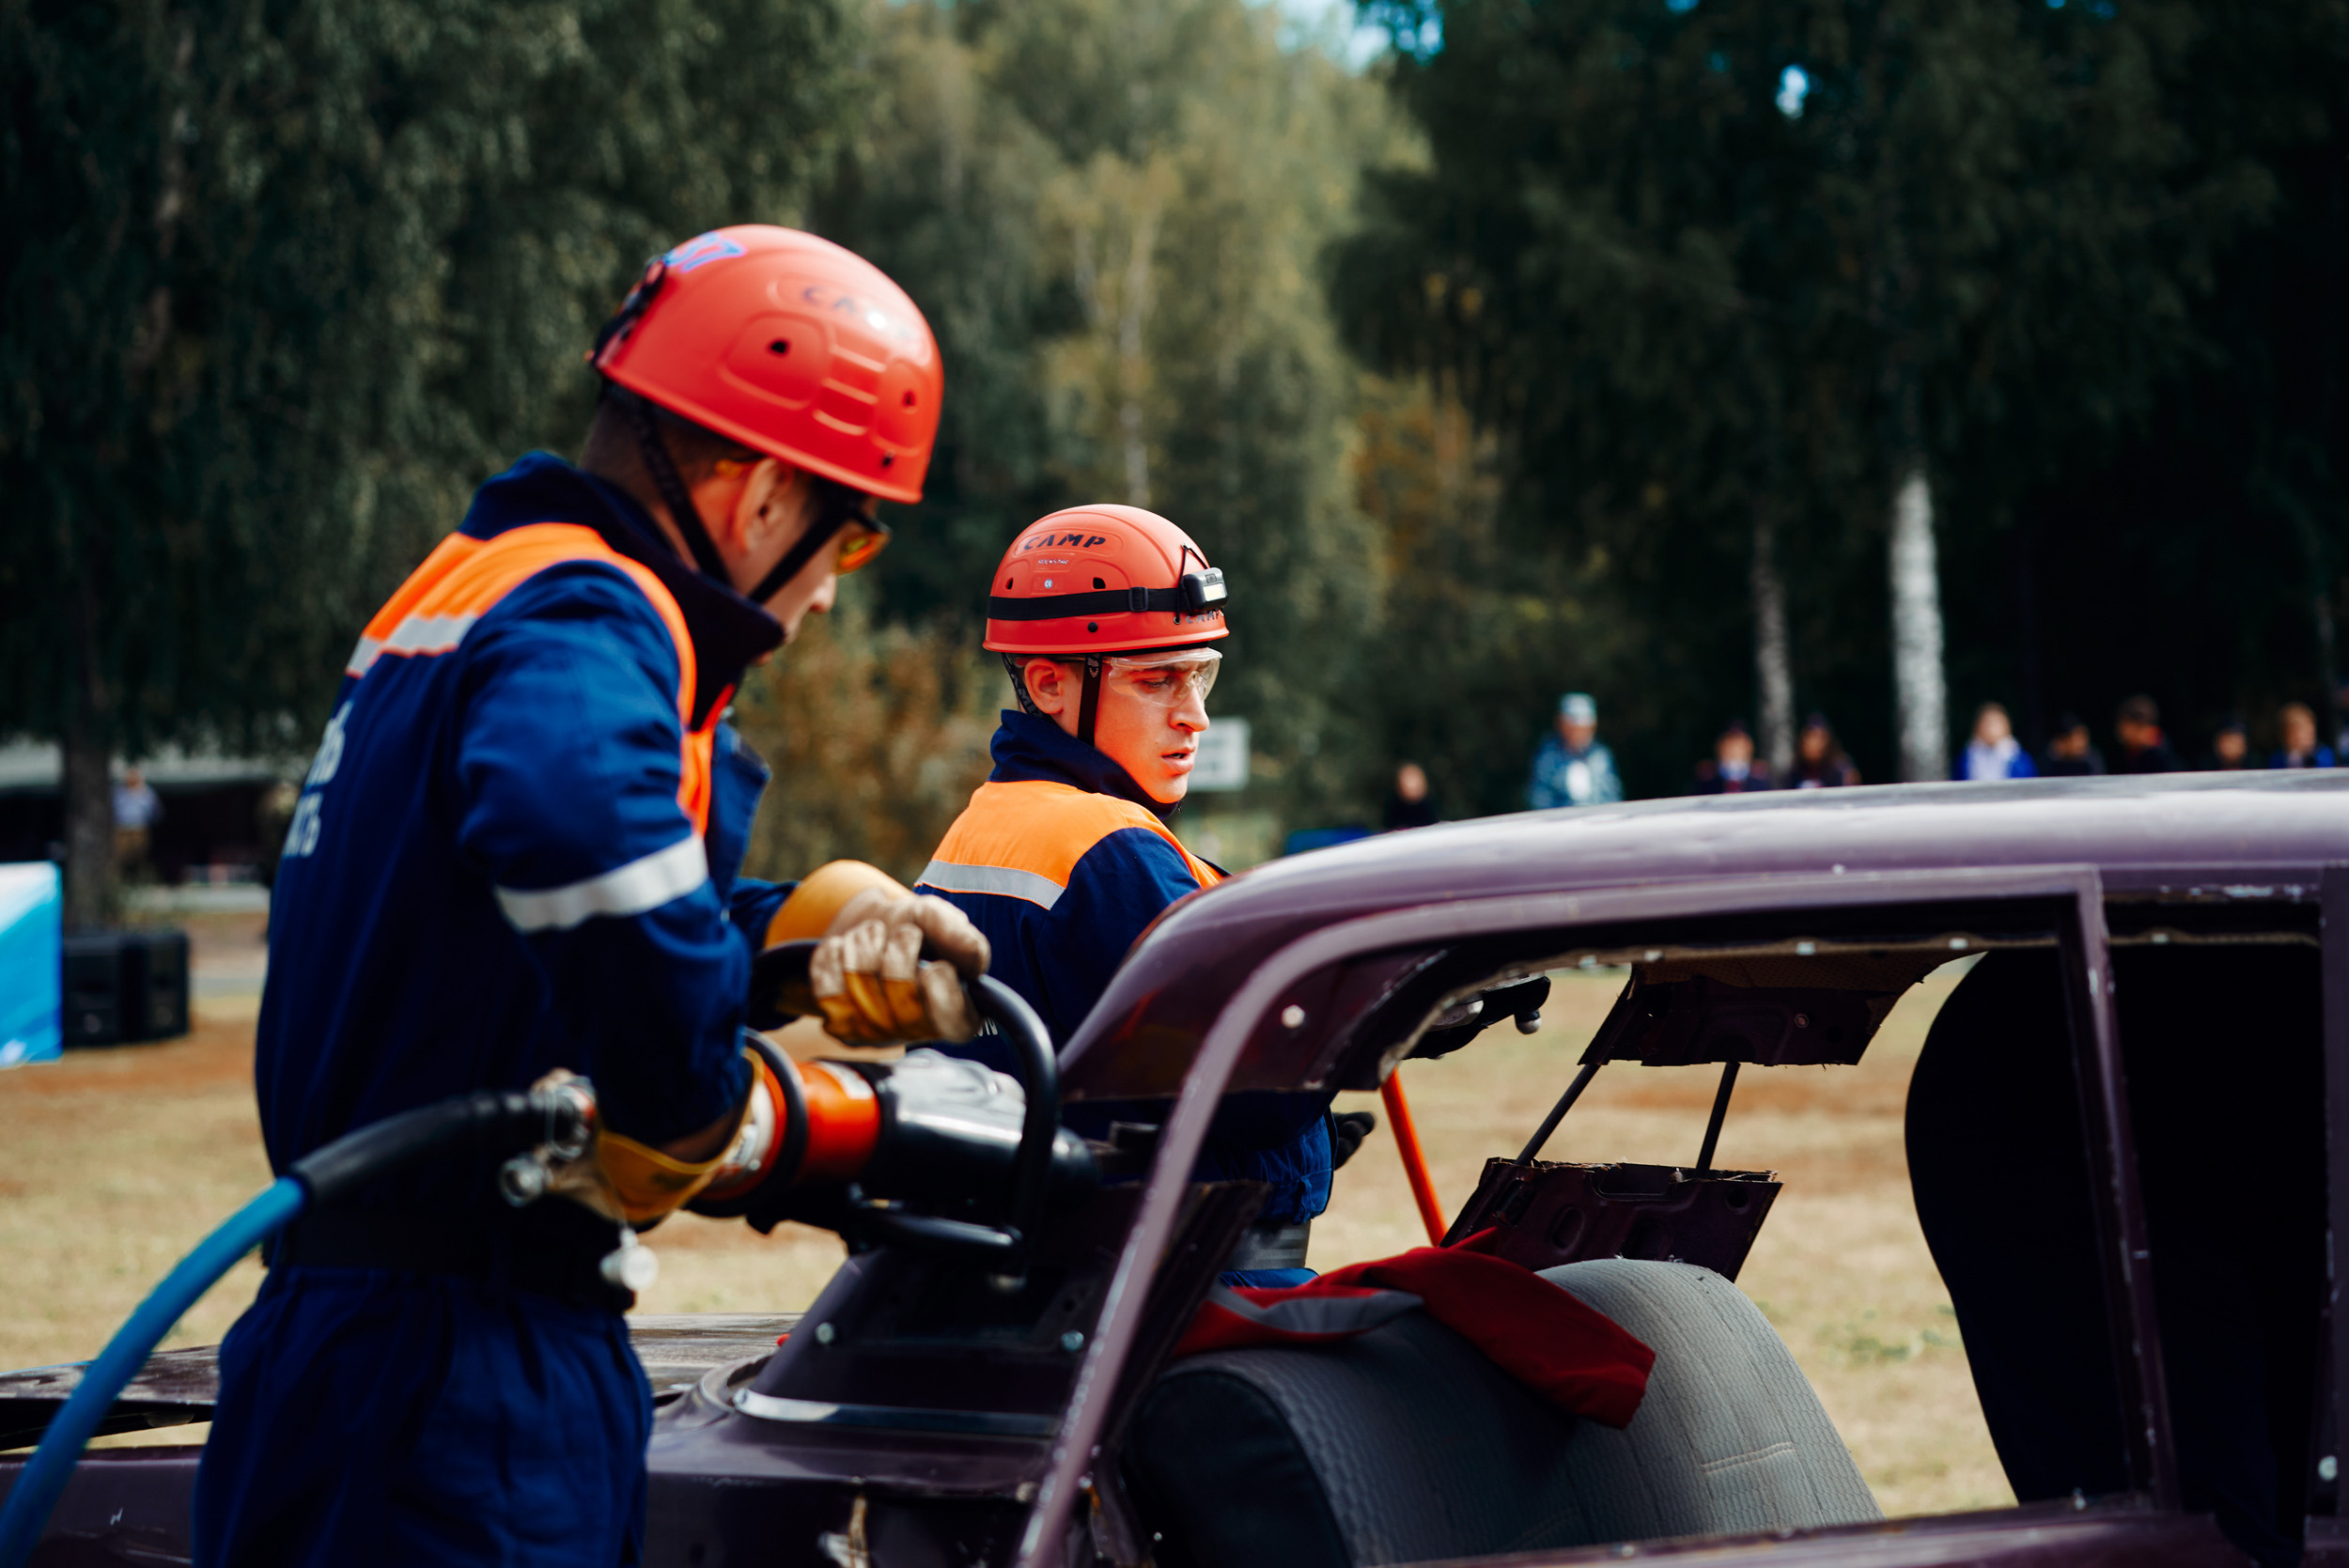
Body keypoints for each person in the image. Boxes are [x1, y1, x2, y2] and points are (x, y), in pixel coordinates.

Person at [194, 227, 993, 1568]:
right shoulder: (595, 609)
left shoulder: (469, 587)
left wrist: (790, 936)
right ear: (765, 495)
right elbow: (569, 811)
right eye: (849, 541)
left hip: (341, 1350)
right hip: (463, 1384)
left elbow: (489, 937)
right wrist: (690, 1102)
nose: (823, 601)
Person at [916, 508, 1337, 1286]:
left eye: (1200, 674)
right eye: (1157, 680)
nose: (1194, 716)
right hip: (1185, 1291)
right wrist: (1364, 1017)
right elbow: (1257, 1094)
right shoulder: (1108, 850)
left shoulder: (981, 827)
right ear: (1049, 683)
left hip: (1060, 1275)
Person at [1527, 692, 1623, 809]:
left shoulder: (1601, 756)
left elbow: (1612, 795)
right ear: (1561, 725)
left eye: (1584, 728)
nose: (1578, 733)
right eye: (1572, 728)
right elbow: (1540, 798)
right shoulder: (1548, 757)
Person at [1954, 702, 2036, 781]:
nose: (1991, 729)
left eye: (1996, 723)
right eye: (1986, 723)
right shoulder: (1967, 757)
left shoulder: (2018, 758)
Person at [1692, 719, 1772, 794]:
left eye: (1739, 746)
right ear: (1719, 747)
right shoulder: (1707, 778)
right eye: (1729, 744)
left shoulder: (1760, 778)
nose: (1734, 750)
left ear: (1749, 748)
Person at [1784, 713, 1860, 788]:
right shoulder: (1794, 771)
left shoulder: (1842, 769)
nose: (1813, 744)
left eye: (1819, 738)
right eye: (1809, 737)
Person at [2112, 693, 2182, 773]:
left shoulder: (2158, 753)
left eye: (2123, 723)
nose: (2119, 729)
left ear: (2138, 725)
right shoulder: (2134, 750)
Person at [112, 765, 162, 876]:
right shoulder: (118, 791)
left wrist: (150, 823)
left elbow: (156, 811)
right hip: (122, 829)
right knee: (121, 855)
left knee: (140, 855)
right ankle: (122, 877)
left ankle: (138, 877)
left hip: (140, 828)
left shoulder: (147, 792)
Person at [2268, 701, 2335, 768]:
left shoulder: (2324, 756)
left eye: (2310, 732)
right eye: (2301, 731)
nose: (2308, 737)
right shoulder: (2277, 759)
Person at [2040, 712, 2105, 776]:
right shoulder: (2049, 761)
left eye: (2084, 736)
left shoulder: (2092, 760)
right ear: (2062, 739)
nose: (2083, 743)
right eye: (2078, 738)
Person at [1385, 762, 1439, 831]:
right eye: (1408, 779)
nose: (1411, 784)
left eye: (1414, 778)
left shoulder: (1430, 806)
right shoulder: (1393, 809)